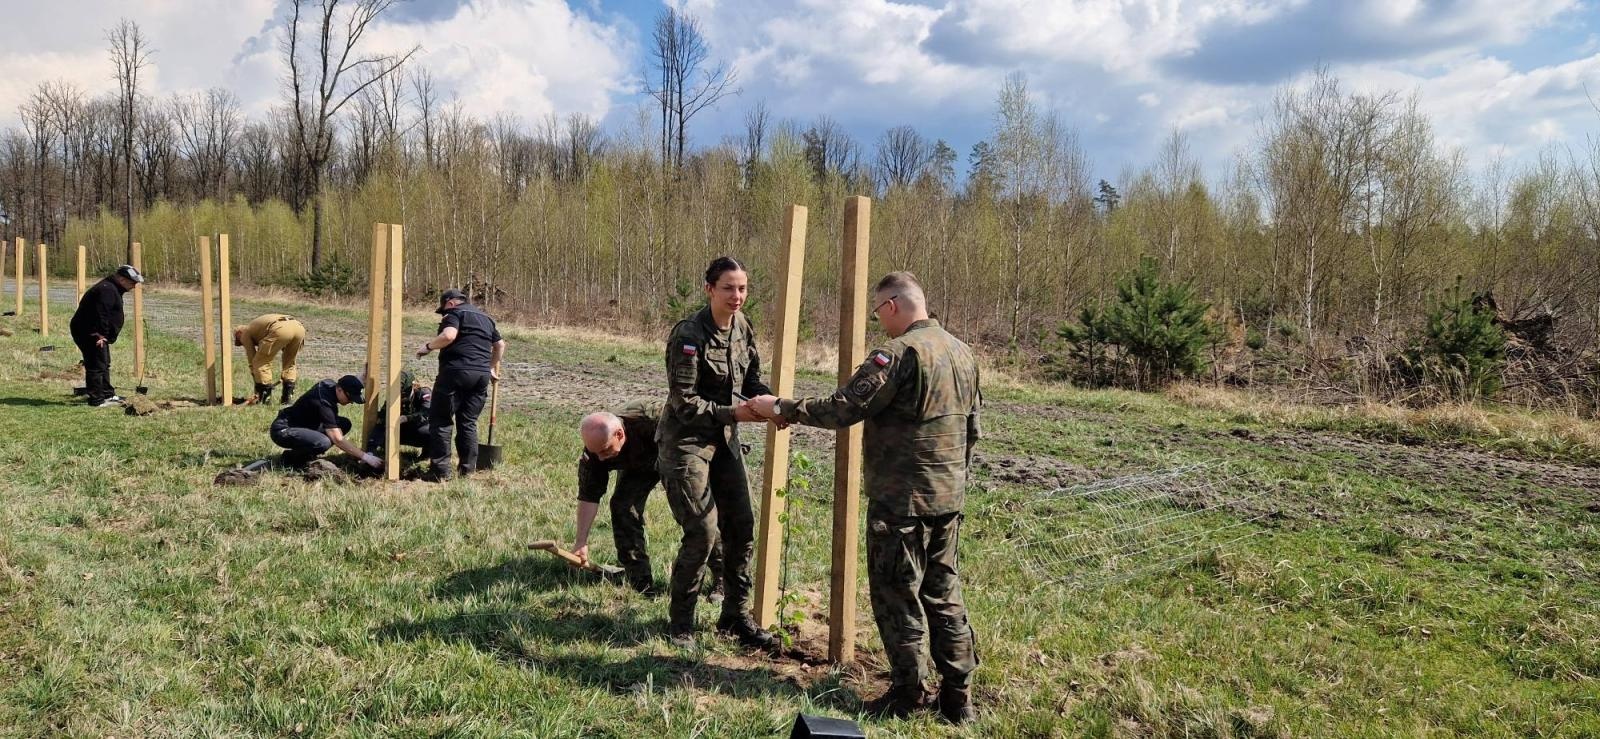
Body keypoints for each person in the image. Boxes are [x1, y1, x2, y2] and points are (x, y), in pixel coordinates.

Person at [748, 271, 982, 724]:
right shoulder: (962, 351)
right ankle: (959, 699)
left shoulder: (896, 355)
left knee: (897, 595)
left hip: (901, 502)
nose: (881, 323)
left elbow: (843, 408)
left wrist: (782, 408)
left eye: (879, 314)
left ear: (892, 305)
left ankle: (907, 693)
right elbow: (973, 429)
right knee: (944, 594)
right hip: (946, 498)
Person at [657, 256, 777, 650]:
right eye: (728, 288)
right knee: (703, 531)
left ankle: (734, 616)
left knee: (741, 527)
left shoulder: (742, 326)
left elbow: (752, 378)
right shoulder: (689, 336)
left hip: (724, 438)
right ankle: (681, 625)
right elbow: (684, 402)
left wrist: (771, 403)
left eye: (742, 288)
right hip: (686, 442)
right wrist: (735, 412)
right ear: (709, 289)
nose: (737, 296)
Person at [575, 399, 724, 597]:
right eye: (596, 453)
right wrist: (581, 542)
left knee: (694, 513)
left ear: (619, 434)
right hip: (639, 464)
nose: (601, 458)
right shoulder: (595, 450)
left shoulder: (653, 420)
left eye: (604, 450)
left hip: (676, 453)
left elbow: (697, 436)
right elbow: (589, 495)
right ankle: (639, 580)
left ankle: (723, 578)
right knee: (623, 507)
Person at [416, 288, 506, 481]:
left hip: (455, 373)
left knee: (441, 421)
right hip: (480, 376)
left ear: (450, 303)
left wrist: (428, 347)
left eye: (444, 309)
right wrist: (489, 367)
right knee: (468, 423)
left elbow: (448, 336)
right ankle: (467, 471)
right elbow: (500, 345)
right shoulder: (486, 319)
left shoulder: (454, 314)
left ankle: (440, 472)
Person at [270, 374, 382, 472]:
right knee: (323, 442)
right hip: (283, 429)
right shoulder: (324, 403)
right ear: (339, 390)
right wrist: (366, 457)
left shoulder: (330, 384)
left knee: (344, 423)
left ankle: (307, 451)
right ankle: (291, 459)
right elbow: (338, 440)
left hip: (306, 425)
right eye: (350, 398)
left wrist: (363, 375)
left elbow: (348, 382)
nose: (351, 402)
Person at [69, 264, 143, 407]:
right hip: (90, 332)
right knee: (96, 365)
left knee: (103, 362)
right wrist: (101, 335)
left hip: (95, 332)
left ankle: (107, 394)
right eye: (132, 282)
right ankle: (96, 400)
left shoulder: (111, 287)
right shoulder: (107, 290)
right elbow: (100, 314)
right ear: (122, 279)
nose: (134, 286)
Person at [234, 313, 307, 404]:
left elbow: (252, 358)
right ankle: (287, 400)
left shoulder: (244, 333)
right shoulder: (256, 327)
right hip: (298, 327)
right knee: (289, 363)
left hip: (280, 329)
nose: (241, 343)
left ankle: (265, 400)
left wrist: (257, 378)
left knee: (260, 363)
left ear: (238, 334)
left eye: (239, 341)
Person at [364, 368, 432, 456]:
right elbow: (381, 421)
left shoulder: (423, 393)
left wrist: (406, 418)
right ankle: (383, 452)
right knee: (380, 430)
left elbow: (426, 413)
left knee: (433, 432)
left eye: (403, 392)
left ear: (413, 386)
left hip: (416, 430)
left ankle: (426, 455)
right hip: (397, 430)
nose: (401, 397)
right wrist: (370, 451)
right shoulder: (392, 398)